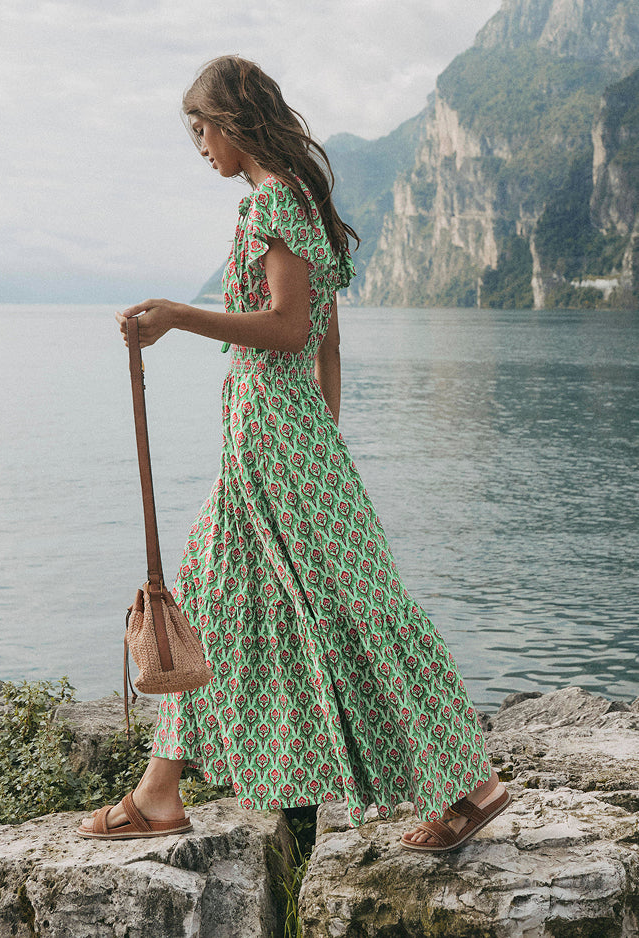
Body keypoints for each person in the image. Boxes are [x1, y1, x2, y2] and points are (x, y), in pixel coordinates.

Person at [78, 55, 509, 851]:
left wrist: (178, 314)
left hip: (275, 434)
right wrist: (322, 442)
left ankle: (470, 784)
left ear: (234, 121)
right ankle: (161, 790)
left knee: (330, 602)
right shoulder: (303, 202)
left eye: (202, 128)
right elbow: (328, 343)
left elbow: (286, 328)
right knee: (232, 587)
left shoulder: (271, 207)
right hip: (291, 433)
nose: (200, 145)